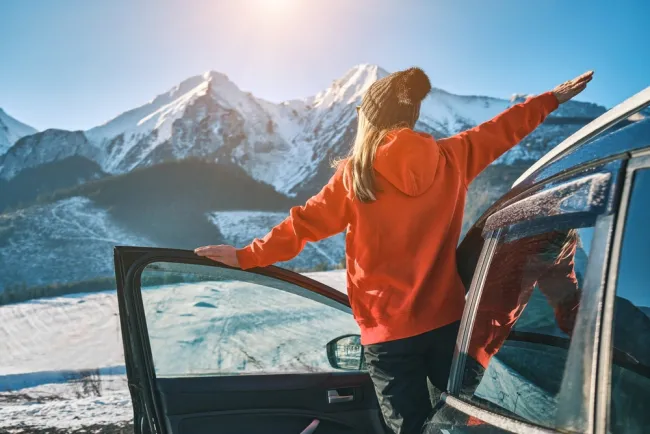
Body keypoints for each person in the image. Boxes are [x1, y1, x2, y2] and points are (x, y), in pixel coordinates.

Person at [195, 67, 594, 434]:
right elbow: (504, 128)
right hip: (447, 324)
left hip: (388, 338)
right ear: (413, 116)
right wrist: (550, 100)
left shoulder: (356, 176)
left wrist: (246, 256)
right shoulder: (453, 155)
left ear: (368, 118)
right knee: (458, 420)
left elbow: (300, 226)